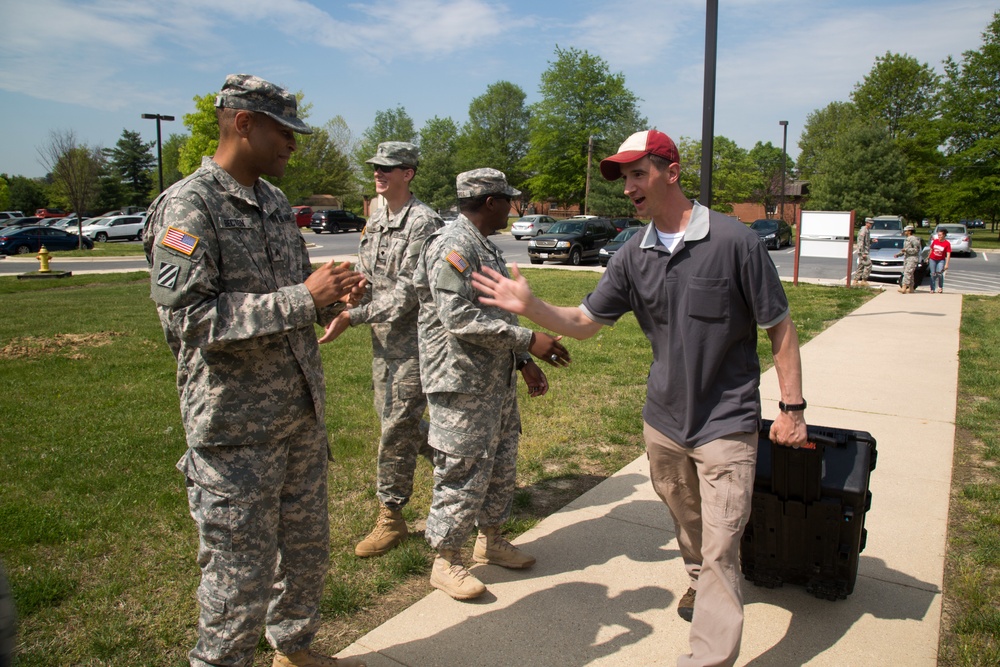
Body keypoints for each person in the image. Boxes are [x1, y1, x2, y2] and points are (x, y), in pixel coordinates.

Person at [472, 130, 808, 667]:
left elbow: (779, 327)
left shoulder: (734, 242)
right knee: (689, 522)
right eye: (623, 177)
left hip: (727, 419)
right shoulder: (633, 254)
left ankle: (708, 655)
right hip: (665, 422)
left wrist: (792, 408)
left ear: (671, 172)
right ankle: (698, 580)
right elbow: (583, 324)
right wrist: (530, 306)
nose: (628, 187)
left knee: (724, 544)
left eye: (637, 173)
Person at [143, 74, 366, 667]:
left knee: (305, 552)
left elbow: (292, 296)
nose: (293, 143)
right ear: (243, 123)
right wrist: (303, 298)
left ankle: (292, 649)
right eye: (283, 131)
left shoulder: (271, 203)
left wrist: (337, 295)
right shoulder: (188, 206)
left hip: (297, 417)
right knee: (237, 581)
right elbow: (189, 320)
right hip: (235, 432)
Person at [415, 168, 571, 601]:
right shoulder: (453, 245)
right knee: (461, 468)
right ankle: (447, 560)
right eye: (507, 200)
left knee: (501, 461)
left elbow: (498, 313)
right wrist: (529, 340)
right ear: (490, 202)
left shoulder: (486, 247)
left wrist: (523, 361)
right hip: (460, 382)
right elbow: (457, 317)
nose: (511, 207)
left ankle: (492, 540)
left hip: (494, 379)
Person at [319, 142, 443, 558]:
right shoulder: (376, 218)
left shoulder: (423, 222)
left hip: (417, 343)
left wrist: (354, 317)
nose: (378, 173)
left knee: (395, 427)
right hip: (383, 341)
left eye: (388, 168)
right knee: (396, 422)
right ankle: (460, 465)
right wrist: (352, 291)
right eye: (375, 167)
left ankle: (391, 515)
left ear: (408, 173)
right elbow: (372, 275)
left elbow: (408, 293)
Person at [895, 225, 922, 293]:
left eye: (905, 231)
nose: (904, 232)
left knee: (907, 273)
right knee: (910, 274)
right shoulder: (907, 239)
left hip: (912, 258)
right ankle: (911, 288)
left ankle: (904, 287)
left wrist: (906, 250)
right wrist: (898, 254)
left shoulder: (914, 239)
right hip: (907, 258)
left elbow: (916, 250)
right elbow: (905, 250)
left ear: (909, 231)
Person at [928, 227, 951, 293]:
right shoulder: (935, 241)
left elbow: (948, 254)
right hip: (932, 259)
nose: (939, 236)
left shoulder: (947, 243)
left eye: (940, 235)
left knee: (940, 274)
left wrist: (946, 264)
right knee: (932, 274)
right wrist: (928, 257)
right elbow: (931, 250)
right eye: (938, 235)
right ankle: (932, 288)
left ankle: (940, 287)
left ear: (944, 235)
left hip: (941, 260)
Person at [853, 217, 874, 286]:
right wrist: (863, 253)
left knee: (861, 266)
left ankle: (855, 281)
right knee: (868, 264)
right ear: (867, 223)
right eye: (870, 223)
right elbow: (861, 242)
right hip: (863, 252)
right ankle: (864, 280)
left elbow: (866, 242)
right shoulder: (863, 230)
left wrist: (872, 241)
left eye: (872, 224)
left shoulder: (867, 230)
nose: (871, 225)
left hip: (865, 251)